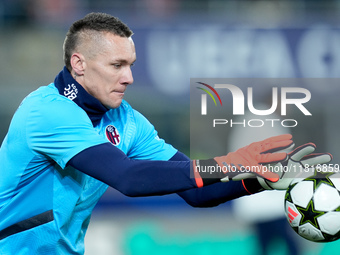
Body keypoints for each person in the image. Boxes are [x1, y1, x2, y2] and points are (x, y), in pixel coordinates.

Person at [0, 12, 331, 254]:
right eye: (117, 65)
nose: (129, 77)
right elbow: (128, 178)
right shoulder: (47, 112)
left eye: (130, 64)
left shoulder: (128, 121)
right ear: (79, 64)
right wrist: (226, 164)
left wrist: (258, 179)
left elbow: (197, 193)